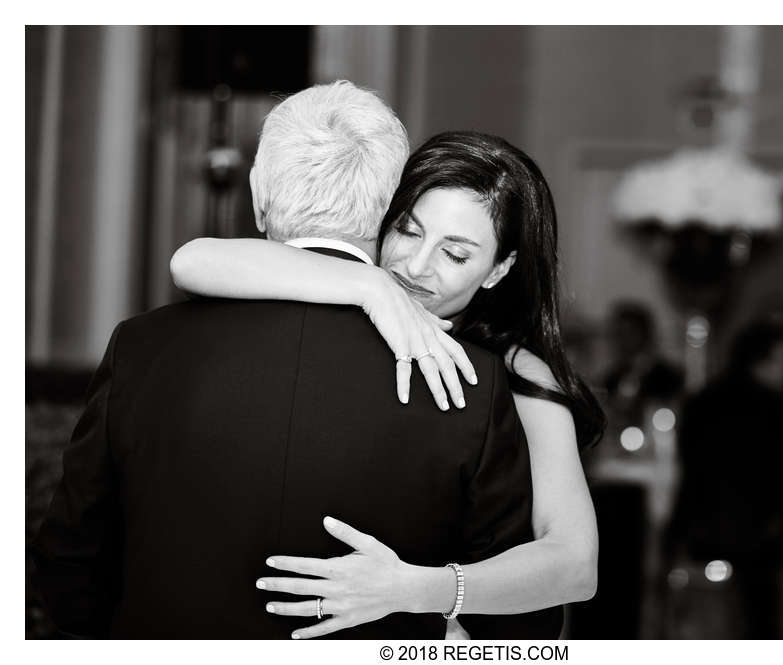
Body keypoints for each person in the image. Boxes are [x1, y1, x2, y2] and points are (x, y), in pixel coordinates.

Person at [30, 81, 564, 639]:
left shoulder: (142, 347)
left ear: (259, 196)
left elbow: (68, 562)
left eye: (455, 253)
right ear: (388, 212)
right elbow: (516, 629)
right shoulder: (468, 385)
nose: (423, 265)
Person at [169, 130, 605, 638]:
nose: (415, 266)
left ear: (498, 270)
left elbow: (575, 565)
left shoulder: (515, 369)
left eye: (456, 254)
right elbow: (191, 261)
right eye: (408, 230)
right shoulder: (355, 299)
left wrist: (418, 590)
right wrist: (369, 285)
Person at [666, 319, 783, 638]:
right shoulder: (776, 408)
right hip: (758, 538)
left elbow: (688, 469)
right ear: (762, 361)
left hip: (697, 527)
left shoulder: (702, 400)